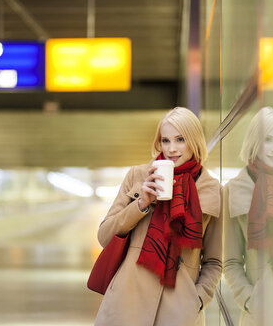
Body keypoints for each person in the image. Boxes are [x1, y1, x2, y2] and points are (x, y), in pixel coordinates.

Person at [94, 107, 222, 326]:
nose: (172, 149)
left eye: (180, 139)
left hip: (178, 310)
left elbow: (214, 261)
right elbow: (104, 236)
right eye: (165, 140)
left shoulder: (212, 190)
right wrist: (141, 203)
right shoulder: (138, 176)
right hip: (126, 304)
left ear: (194, 141)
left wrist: (197, 300)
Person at [223, 107, 273, 326]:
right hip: (262, 312)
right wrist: (250, 300)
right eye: (268, 140)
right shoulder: (234, 190)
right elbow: (230, 261)